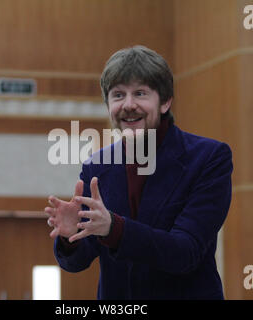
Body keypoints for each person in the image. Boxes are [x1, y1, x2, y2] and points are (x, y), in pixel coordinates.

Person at [44, 45, 233, 299]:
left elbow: (184, 253)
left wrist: (114, 228)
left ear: (165, 101)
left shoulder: (209, 158)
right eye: (118, 95)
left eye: (140, 93)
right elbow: (76, 263)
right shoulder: (97, 166)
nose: (128, 105)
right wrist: (71, 237)